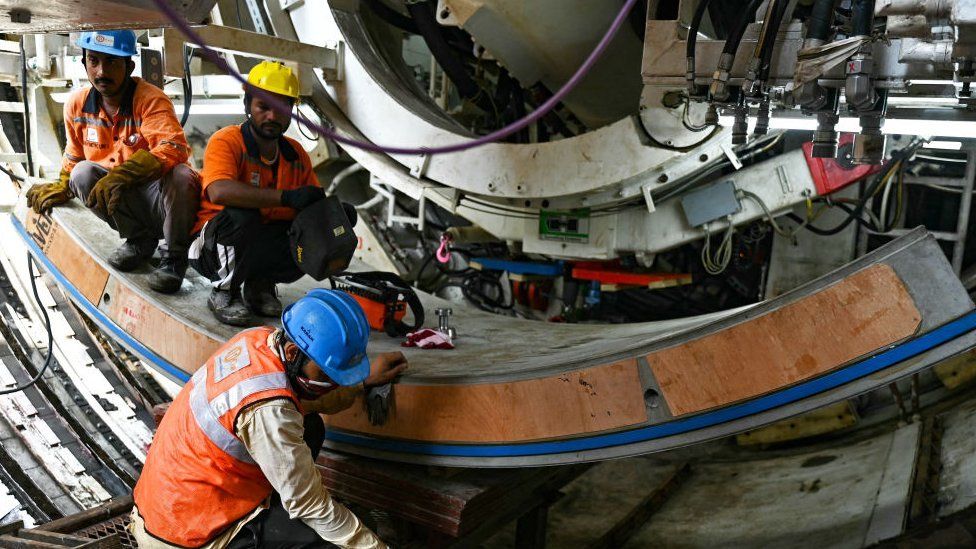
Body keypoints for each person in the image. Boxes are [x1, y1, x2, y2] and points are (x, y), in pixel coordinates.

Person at [131, 289, 407, 548]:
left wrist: (360, 382)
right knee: (320, 540)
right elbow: (311, 505)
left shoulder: (259, 340)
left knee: (310, 427)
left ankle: (273, 508)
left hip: (175, 494)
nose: (332, 384)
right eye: (327, 375)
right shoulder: (268, 409)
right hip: (183, 533)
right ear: (292, 354)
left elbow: (310, 398)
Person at [25, 29, 199, 294]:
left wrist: (122, 175)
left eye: (112, 62)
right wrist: (63, 183)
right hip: (122, 200)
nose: (101, 71)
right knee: (81, 174)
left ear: (129, 66)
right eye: (93, 61)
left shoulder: (150, 100)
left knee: (182, 175)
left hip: (160, 200)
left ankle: (174, 260)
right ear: (84, 63)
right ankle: (140, 241)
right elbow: (75, 154)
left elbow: (173, 148)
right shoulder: (77, 105)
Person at [190, 60, 347, 326]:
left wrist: (338, 218)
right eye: (263, 107)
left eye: (281, 108)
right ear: (247, 105)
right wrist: (285, 197)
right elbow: (219, 192)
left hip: (253, 245)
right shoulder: (227, 141)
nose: (272, 117)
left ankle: (259, 286)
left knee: (314, 228)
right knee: (243, 216)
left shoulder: (295, 154)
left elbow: (310, 205)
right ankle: (223, 291)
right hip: (210, 248)